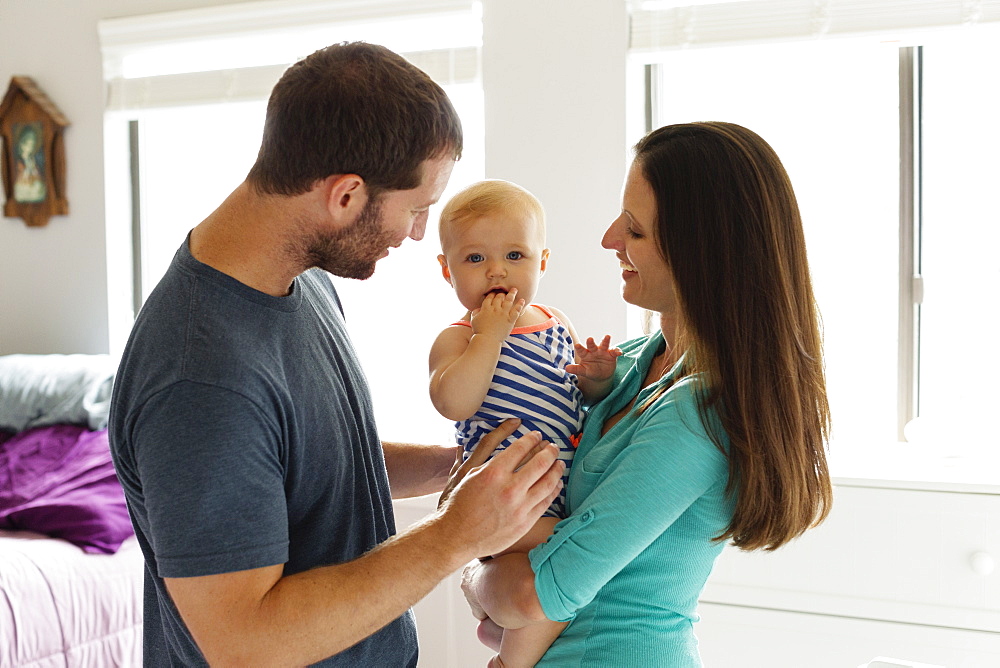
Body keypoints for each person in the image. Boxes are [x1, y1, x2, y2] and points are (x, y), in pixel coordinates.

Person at [108, 42, 565, 667]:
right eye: (417, 209)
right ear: (346, 196)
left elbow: (298, 463)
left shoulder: (305, 279)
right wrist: (456, 535)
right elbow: (245, 644)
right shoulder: (199, 378)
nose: (416, 233)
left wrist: (453, 470)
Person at [458, 121, 833, 667]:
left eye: (634, 230)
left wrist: (470, 563)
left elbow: (531, 594)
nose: (609, 239)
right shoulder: (630, 364)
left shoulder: (697, 413)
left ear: (700, 252)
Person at [429, 180, 621, 668]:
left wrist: (596, 380)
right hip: (502, 500)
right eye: (474, 259)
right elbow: (453, 401)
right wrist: (487, 337)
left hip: (558, 492)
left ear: (542, 262)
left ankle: (507, 659)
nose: (496, 270)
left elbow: (580, 399)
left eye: (515, 255)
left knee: (550, 592)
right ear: (446, 269)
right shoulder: (456, 339)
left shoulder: (556, 321)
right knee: (572, 558)